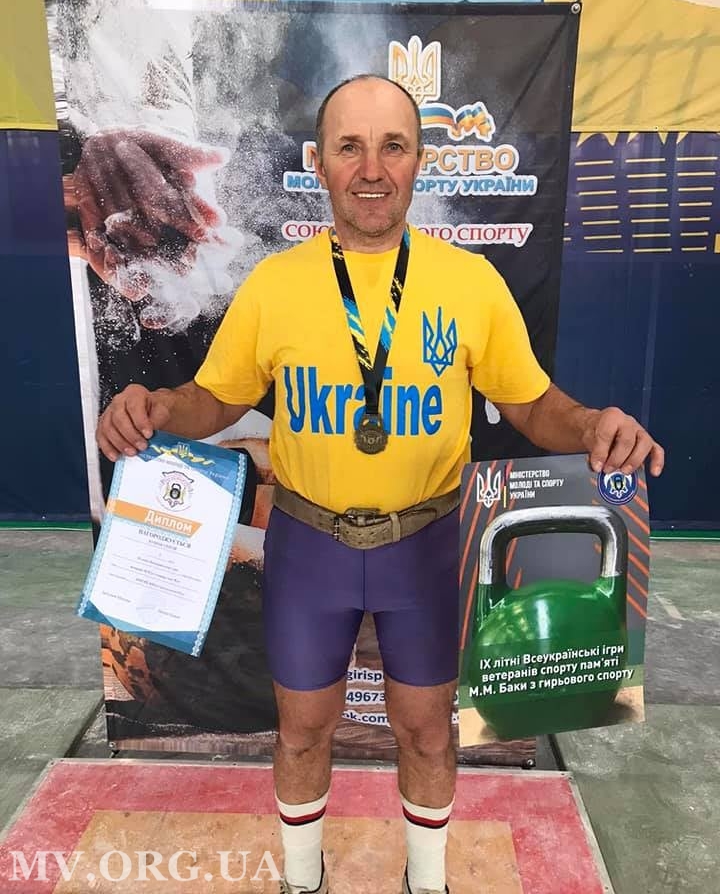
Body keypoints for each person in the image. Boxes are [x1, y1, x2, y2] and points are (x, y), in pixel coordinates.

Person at [96, 74, 665, 894]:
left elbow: (532, 404)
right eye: (350, 147)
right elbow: (214, 398)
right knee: (301, 731)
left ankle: (425, 884)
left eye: (392, 146)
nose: (371, 168)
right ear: (319, 164)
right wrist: (156, 407)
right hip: (311, 544)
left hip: (426, 544)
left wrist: (593, 426)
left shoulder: (470, 283)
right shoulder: (277, 284)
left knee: (429, 733)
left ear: (418, 161)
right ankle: (303, 880)